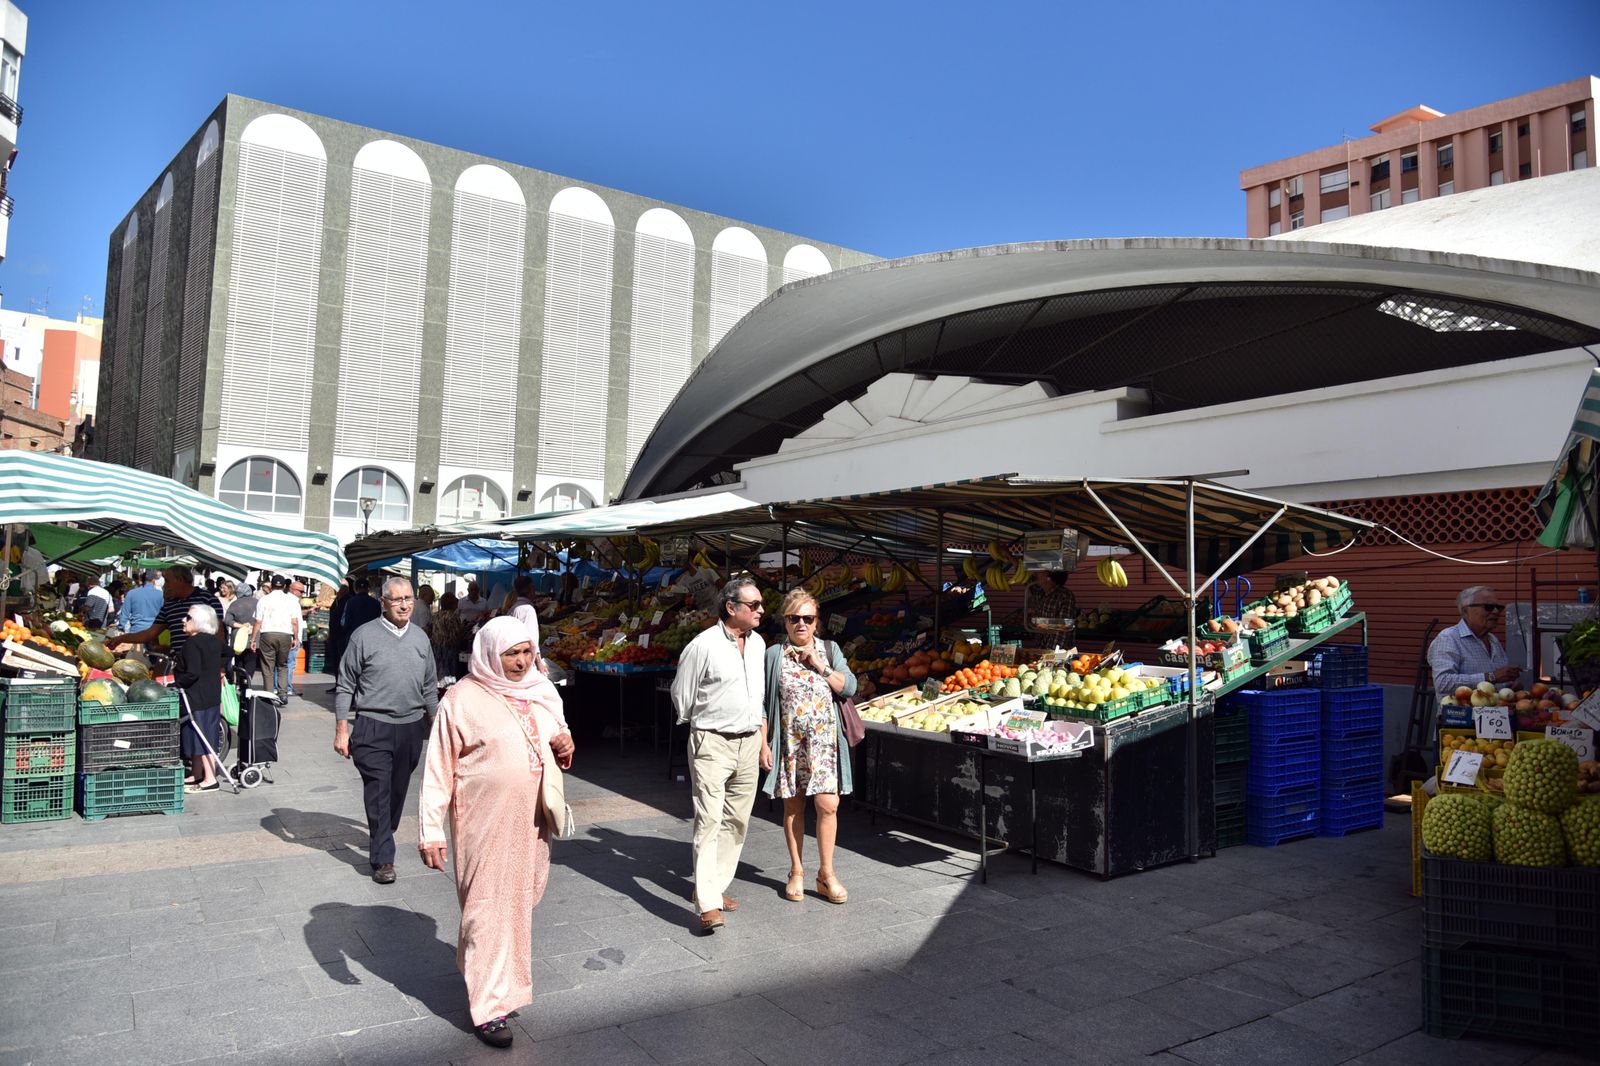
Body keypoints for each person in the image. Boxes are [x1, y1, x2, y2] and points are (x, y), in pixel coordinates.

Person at [418, 617, 576, 1049]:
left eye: (526, 652)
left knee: (518, 903)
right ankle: (489, 1008)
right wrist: (431, 830)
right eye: (511, 654)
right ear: (489, 654)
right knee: (486, 908)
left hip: (530, 822)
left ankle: (492, 979)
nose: (521, 662)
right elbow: (437, 768)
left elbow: (556, 737)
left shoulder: (539, 692)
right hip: (482, 821)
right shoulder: (461, 700)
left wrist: (564, 745)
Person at [670, 577, 768, 934]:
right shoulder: (703, 645)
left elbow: (758, 696)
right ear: (731, 607)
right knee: (709, 820)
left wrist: (761, 739)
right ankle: (708, 904)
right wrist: (706, 722)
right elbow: (682, 695)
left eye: (760, 604)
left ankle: (714, 884)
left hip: (749, 741)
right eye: (754, 605)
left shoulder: (758, 644)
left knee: (737, 821)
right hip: (712, 742)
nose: (761, 610)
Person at [334, 577, 438, 885]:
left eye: (409, 599)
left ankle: (384, 831)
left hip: (411, 727)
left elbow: (429, 686)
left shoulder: (420, 638)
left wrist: (438, 724)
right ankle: (383, 859)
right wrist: (341, 729)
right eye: (397, 599)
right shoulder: (363, 636)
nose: (404, 605)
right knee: (378, 789)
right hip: (373, 725)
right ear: (383, 602)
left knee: (397, 791)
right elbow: (345, 684)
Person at [762, 588, 857, 905]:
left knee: (828, 806)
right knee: (793, 808)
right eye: (794, 618)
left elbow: (850, 686)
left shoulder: (829, 650)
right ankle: (797, 871)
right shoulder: (774, 655)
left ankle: (827, 874)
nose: (801, 624)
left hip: (825, 746)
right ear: (785, 622)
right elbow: (763, 703)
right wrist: (764, 743)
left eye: (807, 618)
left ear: (817, 622)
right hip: (791, 745)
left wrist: (820, 665)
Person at [107, 565, 222, 664]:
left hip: (205, 664)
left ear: (180, 580)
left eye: (167, 581)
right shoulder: (169, 605)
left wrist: (220, 664)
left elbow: (220, 634)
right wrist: (120, 639)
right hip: (180, 665)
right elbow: (149, 633)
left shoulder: (208, 599)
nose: (164, 586)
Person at [1429, 586, 1522, 706]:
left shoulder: (1493, 640)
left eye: (1499, 608)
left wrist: (1508, 688)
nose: (1496, 612)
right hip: (1461, 714)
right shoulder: (1449, 638)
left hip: (1493, 713)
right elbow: (1443, 683)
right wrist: (1492, 677)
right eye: (1488, 607)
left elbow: (1495, 683)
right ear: (1466, 611)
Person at [174, 603, 224, 793]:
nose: (183, 620)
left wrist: (175, 684)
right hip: (211, 695)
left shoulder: (192, 643)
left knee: (201, 736)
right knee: (201, 734)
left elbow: (192, 673)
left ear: (199, 622)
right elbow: (228, 653)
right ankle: (196, 773)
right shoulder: (213, 641)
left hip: (197, 696)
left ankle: (210, 779)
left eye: (188, 618)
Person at [250, 576, 301, 703]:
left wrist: (253, 639)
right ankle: (283, 693)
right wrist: (296, 637)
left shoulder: (263, 600)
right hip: (285, 635)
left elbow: (258, 621)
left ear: (271, 586)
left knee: (268, 666)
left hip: (267, 634)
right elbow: (294, 622)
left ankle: (268, 694)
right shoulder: (291, 600)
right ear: (284, 586)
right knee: (282, 665)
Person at [507, 575, 549, 676]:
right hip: (525, 662)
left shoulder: (514, 608)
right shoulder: (528, 609)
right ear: (531, 588)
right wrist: (539, 663)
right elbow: (531, 639)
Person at [225, 583, 259, 682]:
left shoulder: (234, 604)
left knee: (239, 661)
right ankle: (248, 681)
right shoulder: (258, 603)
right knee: (251, 661)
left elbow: (227, 621)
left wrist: (241, 626)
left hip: (238, 638)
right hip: (254, 636)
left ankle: (240, 682)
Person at [1023, 570, 1076, 634]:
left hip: (1053, 640)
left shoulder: (1064, 596)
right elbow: (1026, 580)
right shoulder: (1040, 592)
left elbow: (1063, 629)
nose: (1035, 574)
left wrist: (1036, 622)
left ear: (1048, 577)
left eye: (1039, 571)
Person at [430, 591, 467, 681]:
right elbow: (457, 635)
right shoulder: (453, 617)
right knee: (449, 674)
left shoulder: (435, 616)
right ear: (452, 604)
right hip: (449, 650)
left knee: (438, 671)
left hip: (436, 648)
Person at [118, 569, 165, 635]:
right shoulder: (160, 594)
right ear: (154, 580)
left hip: (136, 631)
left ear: (141, 580)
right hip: (154, 632)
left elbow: (125, 613)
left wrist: (121, 627)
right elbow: (164, 614)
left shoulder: (132, 593)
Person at [324, 579, 354, 678]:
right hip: (335, 637)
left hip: (344, 637)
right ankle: (338, 682)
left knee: (343, 662)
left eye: (340, 588)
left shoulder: (349, 601)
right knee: (336, 661)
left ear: (346, 589)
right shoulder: (336, 601)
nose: (337, 590)